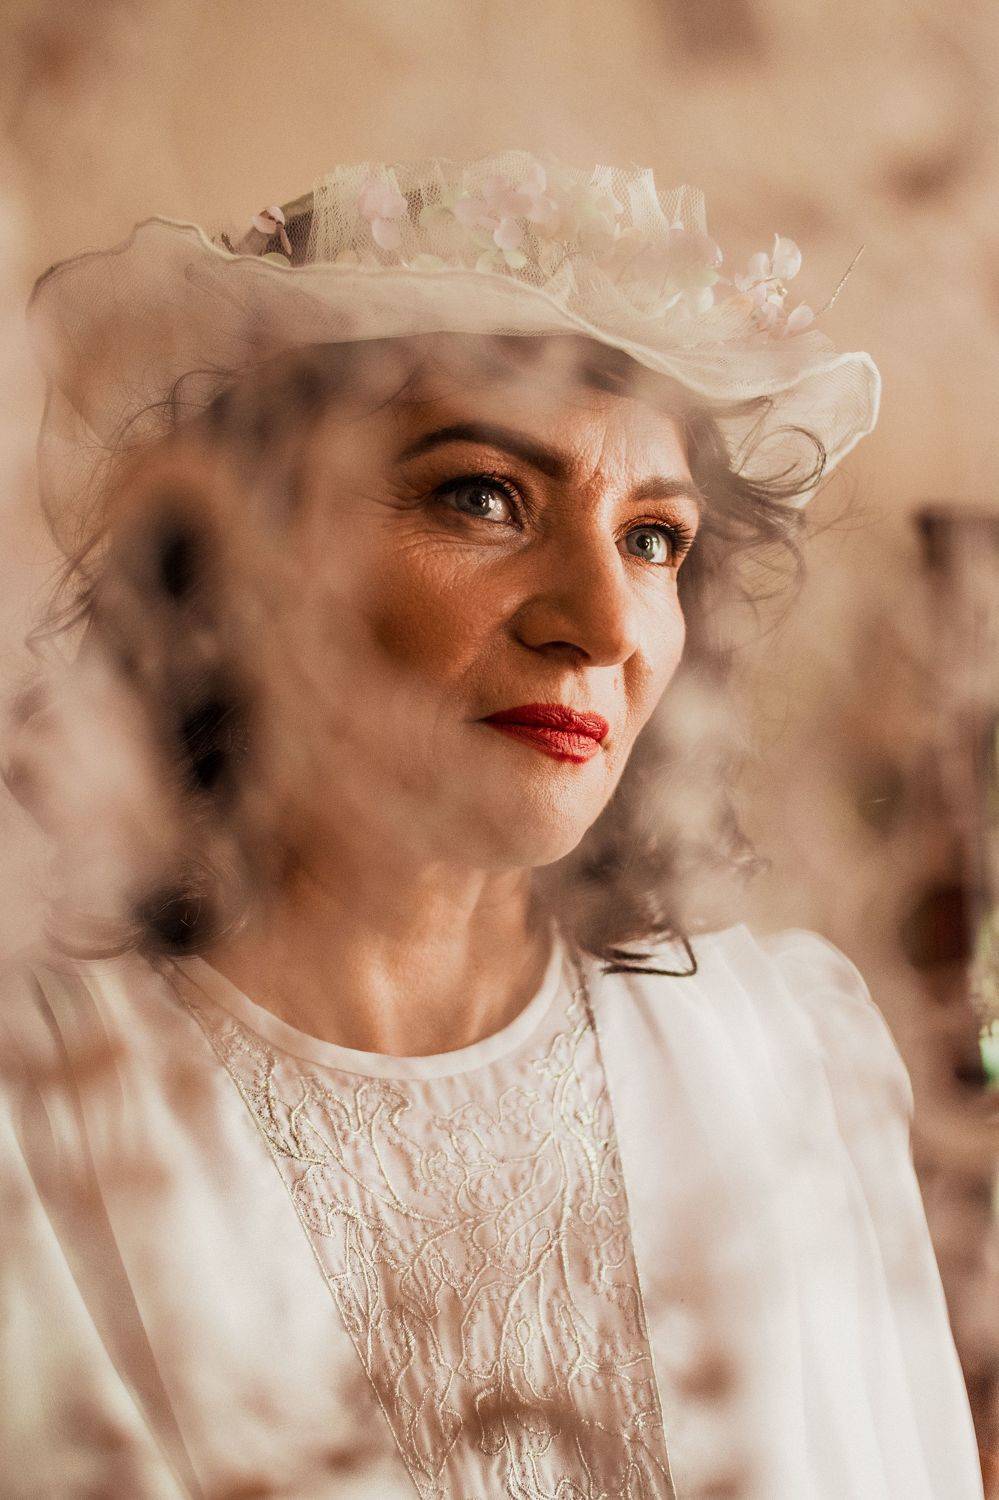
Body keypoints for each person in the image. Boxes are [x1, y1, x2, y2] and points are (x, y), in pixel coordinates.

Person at [0, 152, 985, 1498]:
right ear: (251, 549)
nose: (605, 622)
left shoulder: (793, 1055)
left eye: (655, 538)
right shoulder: (43, 1101)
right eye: (484, 496)